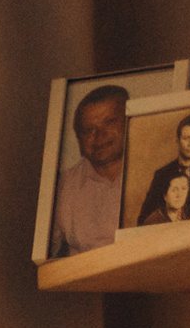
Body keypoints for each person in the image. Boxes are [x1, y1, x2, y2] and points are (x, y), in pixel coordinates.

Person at [46, 81, 129, 256]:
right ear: (79, 140)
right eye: (89, 130)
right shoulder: (61, 187)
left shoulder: (157, 173)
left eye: (109, 122)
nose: (99, 135)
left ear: (129, 121)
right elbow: (43, 255)